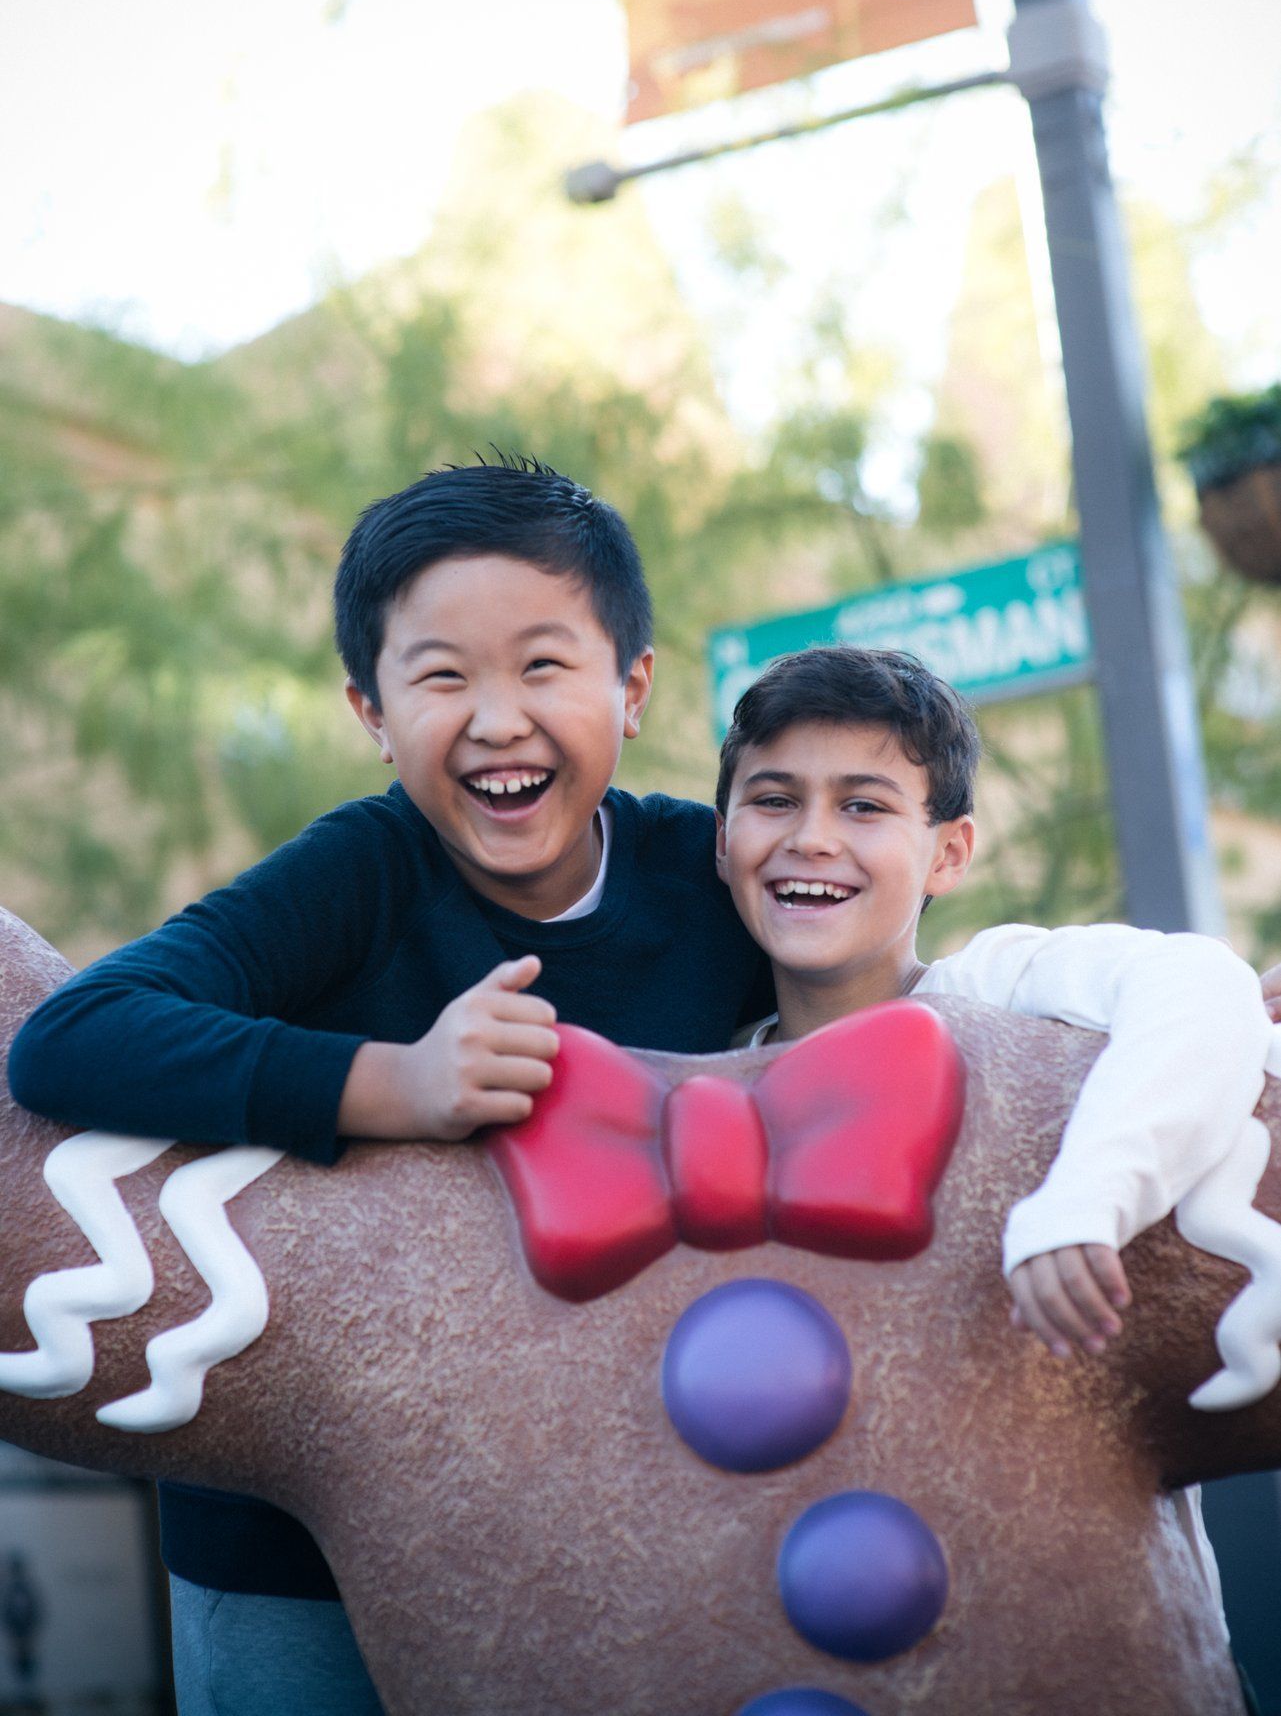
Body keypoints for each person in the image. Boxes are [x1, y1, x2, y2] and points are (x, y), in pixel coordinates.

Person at [6, 459, 775, 1716]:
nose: (497, 717)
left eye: (542, 665)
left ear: (631, 687)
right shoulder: (363, 870)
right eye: (441, 676)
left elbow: (882, 977)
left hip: (615, 1521)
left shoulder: (710, 872)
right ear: (371, 711)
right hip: (296, 1560)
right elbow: (71, 1038)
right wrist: (392, 1084)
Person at [712, 641, 1275, 1637]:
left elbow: (1199, 985)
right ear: (722, 839)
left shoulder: (1001, 990)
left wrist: (1084, 1201)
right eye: (772, 799)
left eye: (864, 805)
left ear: (951, 851)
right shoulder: (709, 1079)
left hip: (1078, 1627)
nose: (811, 837)